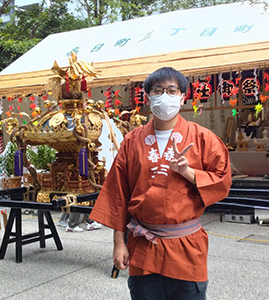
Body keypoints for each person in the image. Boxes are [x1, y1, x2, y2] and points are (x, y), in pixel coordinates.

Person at [89, 67, 232, 300]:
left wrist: (189, 173)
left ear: (183, 96)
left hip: (186, 246)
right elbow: (117, 194)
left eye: (171, 90)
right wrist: (118, 243)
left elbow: (222, 180)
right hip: (144, 246)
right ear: (148, 96)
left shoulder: (203, 138)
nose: (164, 96)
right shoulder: (132, 141)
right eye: (158, 90)